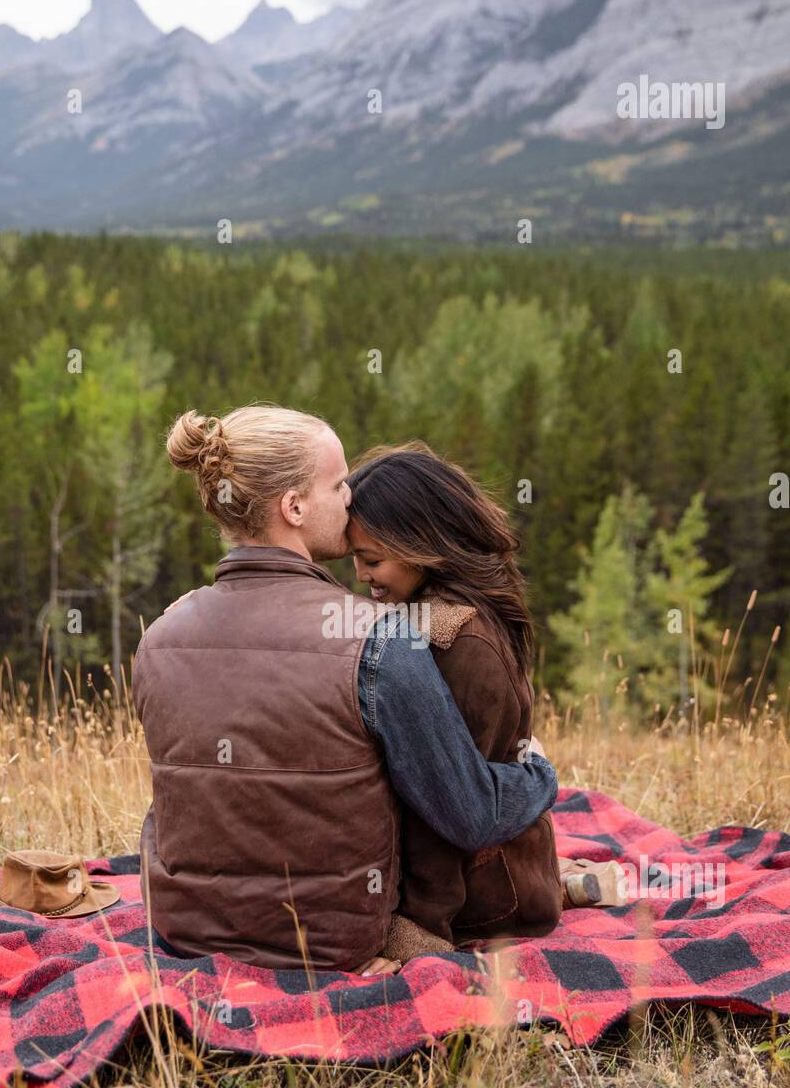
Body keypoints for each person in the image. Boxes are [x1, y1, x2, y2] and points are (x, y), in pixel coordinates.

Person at [132, 406, 561, 976]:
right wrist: (539, 774)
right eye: (338, 485)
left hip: (182, 930)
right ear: (294, 507)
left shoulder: (160, 636)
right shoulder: (379, 639)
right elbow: (469, 814)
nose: (351, 498)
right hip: (332, 939)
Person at [346, 442, 623, 965]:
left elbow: (447, 809)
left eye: (371, 559)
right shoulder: (439, 619)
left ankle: (548, 888)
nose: (361, 575)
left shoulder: (458, 646)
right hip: (497, 872)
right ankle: (561, 881)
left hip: (488, 901)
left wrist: (420, 928)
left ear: (420, 545)